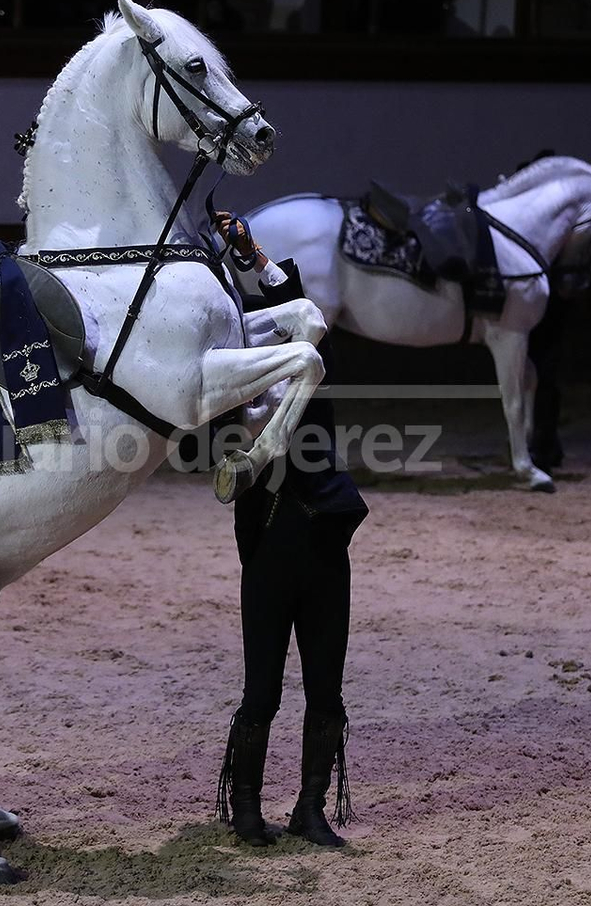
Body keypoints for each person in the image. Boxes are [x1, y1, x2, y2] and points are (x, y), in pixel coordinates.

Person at [211, 230, 369, 848]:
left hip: (326, 546)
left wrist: (254, 257)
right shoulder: (226, 405)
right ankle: (246, 807)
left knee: (326, 688)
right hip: (271, 551)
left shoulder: (311, 370)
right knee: (263, 690)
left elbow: (298, 303)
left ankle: (311, 808)